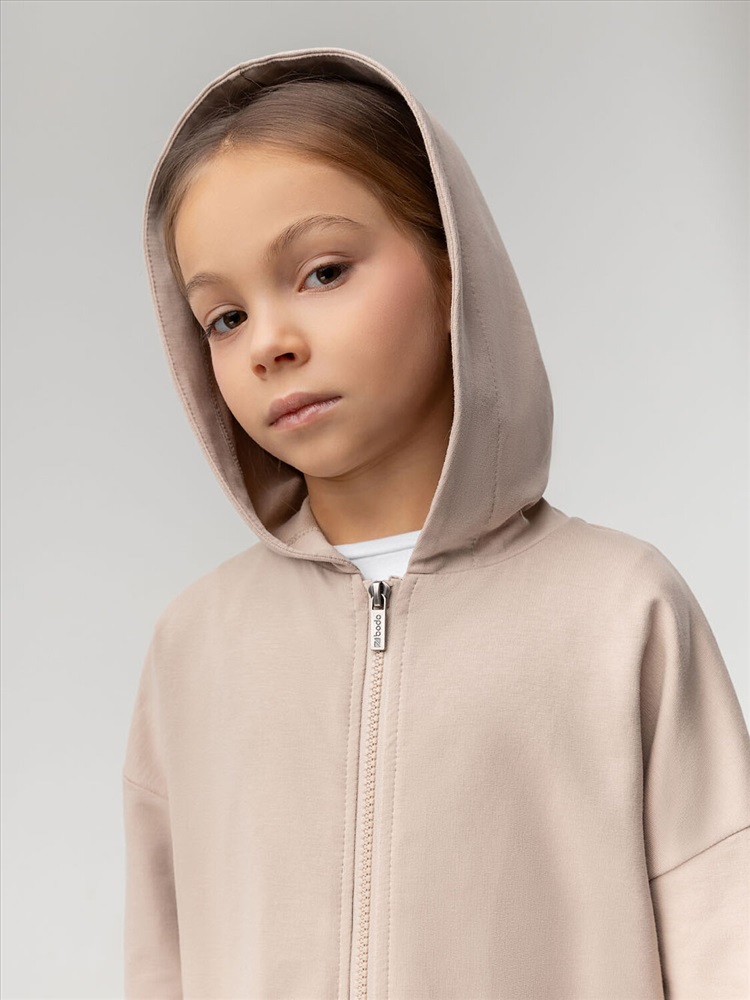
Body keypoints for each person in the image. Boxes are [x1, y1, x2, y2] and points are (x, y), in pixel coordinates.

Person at [122, 46, 750, 999]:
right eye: (224, 318)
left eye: (322, 272)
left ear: (455, 270)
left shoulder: (621, 612)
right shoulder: (194, 645)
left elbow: (725, 940)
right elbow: (159, 964)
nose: (270, 344)